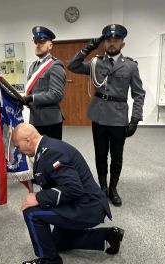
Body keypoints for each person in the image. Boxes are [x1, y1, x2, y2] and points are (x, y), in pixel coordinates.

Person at [12, 123, 124, 264]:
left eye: (17, 146)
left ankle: (50, 260)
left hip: (88, 206)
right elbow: (53, 176)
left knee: (32, 213)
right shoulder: (46, 146)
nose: (18, 151)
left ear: (27, 140)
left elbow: (73, 188)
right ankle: (107, 236)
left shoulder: (51, 153)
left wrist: (38, 197)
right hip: (81, 201)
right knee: (55, 243)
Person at [67, 24, 146, 207]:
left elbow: (139, 94)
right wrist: (89, 47)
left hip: (119, 117)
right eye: (108, 40)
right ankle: (102, 186)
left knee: (117, 156)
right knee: (100, 154)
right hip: (99, 115)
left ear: (122, 44)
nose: (112, 44)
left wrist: (135, 119)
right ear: (104, 43)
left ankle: (113, 188)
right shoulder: (95, 63)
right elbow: (72, 65)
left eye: (116, 40)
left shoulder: (131, 66)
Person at [22, 26, 66, 140]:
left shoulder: (55, 65)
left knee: (51, 155)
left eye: (41, 42)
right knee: (37, 155)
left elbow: (56, 94)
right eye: (36, 42)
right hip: (35, 119)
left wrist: (32, 98)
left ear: (50, 45)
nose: (38, 45)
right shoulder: (33, 66)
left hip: (49, 121)